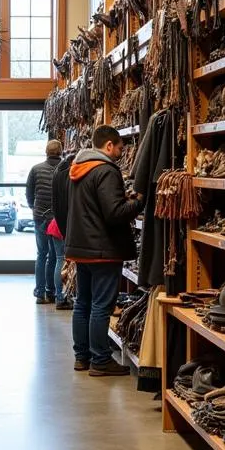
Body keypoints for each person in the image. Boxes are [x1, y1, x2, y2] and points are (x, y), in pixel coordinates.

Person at [64, 126, 142, 376]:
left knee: (83, 303)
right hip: (103, 248)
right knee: (101, 305)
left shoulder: (78, 168)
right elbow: (114, 213)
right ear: (109, 146)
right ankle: (100, 360)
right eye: (120, 148)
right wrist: (137, 203)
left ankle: (82, 356)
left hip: (81, 246)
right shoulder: (106, 170)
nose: (121, 152)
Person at [26, 139, 63, 304]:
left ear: (46, 152)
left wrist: (33, 208)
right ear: (61, 152)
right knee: (56, 256)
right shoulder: (66, 169)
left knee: (41, 254)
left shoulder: (35, 169)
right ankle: (53, 292)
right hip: (58, 219)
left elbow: (29, 193)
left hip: (40, 216)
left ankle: (40, 293)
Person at [50, 148, 75, 310]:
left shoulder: (60, 174)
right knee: (60, 260)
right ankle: (60, 297)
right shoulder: (69, 178)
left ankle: (59, 294)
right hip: (61, 227)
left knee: (56, 260)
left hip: (55, 225)